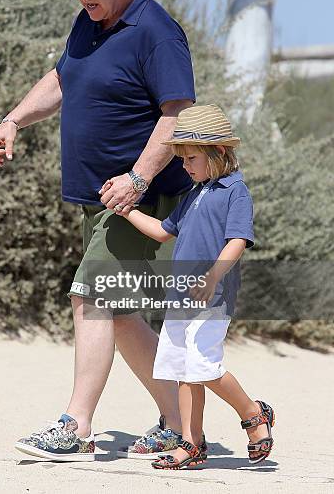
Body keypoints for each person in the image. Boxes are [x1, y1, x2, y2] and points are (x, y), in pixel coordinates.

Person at [0, 0, 197, 461]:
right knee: (121, 312)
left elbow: (178, 115)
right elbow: (62, 78)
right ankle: (179, 424)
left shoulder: (156, 30)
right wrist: (13, 120)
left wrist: (138, 177)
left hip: (139, 198)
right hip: (100, 197)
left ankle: (75, 425)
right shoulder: (91, 21)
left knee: (92, 297)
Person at [114, 104, 276, 469]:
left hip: (213, 295)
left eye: (190, 158)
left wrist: (214, 276)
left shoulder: (236, 191)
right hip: (181, 295)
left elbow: (237, 239)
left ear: (218, 152)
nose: (184, 165)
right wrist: (126, 210)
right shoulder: (194, 194)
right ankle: (191, 444)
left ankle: (253, 415)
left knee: (203, 366)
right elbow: (161, 231)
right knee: (184, 370)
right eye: (182, 158)